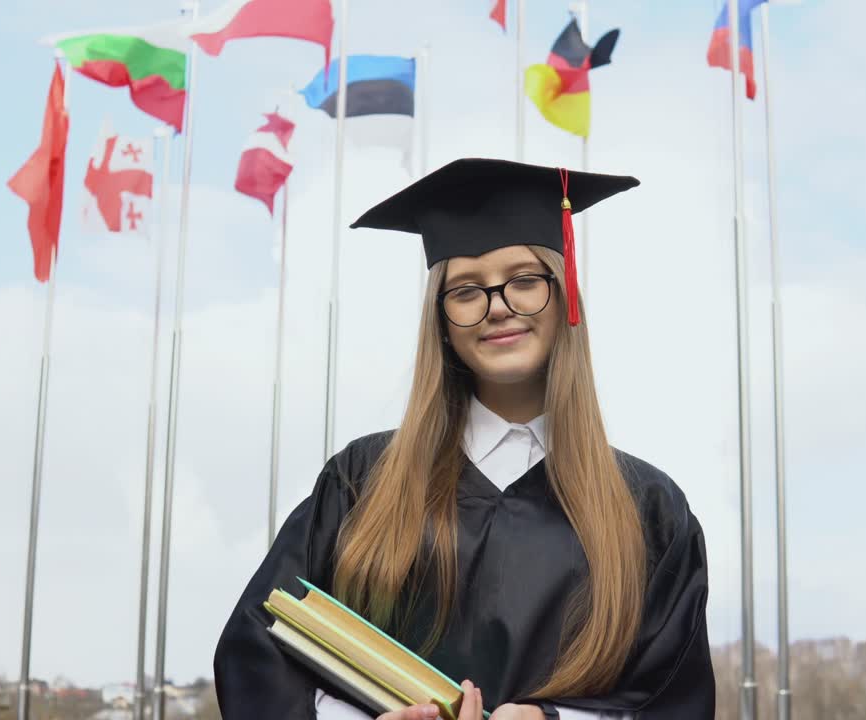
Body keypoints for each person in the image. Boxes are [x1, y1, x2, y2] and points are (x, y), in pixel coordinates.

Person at [214, 158, 715, 720]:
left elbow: (675, 698)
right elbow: (257, 647)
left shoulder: (647, 507)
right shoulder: (363, 480)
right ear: (442, 321)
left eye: (525, 281)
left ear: (564, 291)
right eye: (466, 291)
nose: (498, 306)